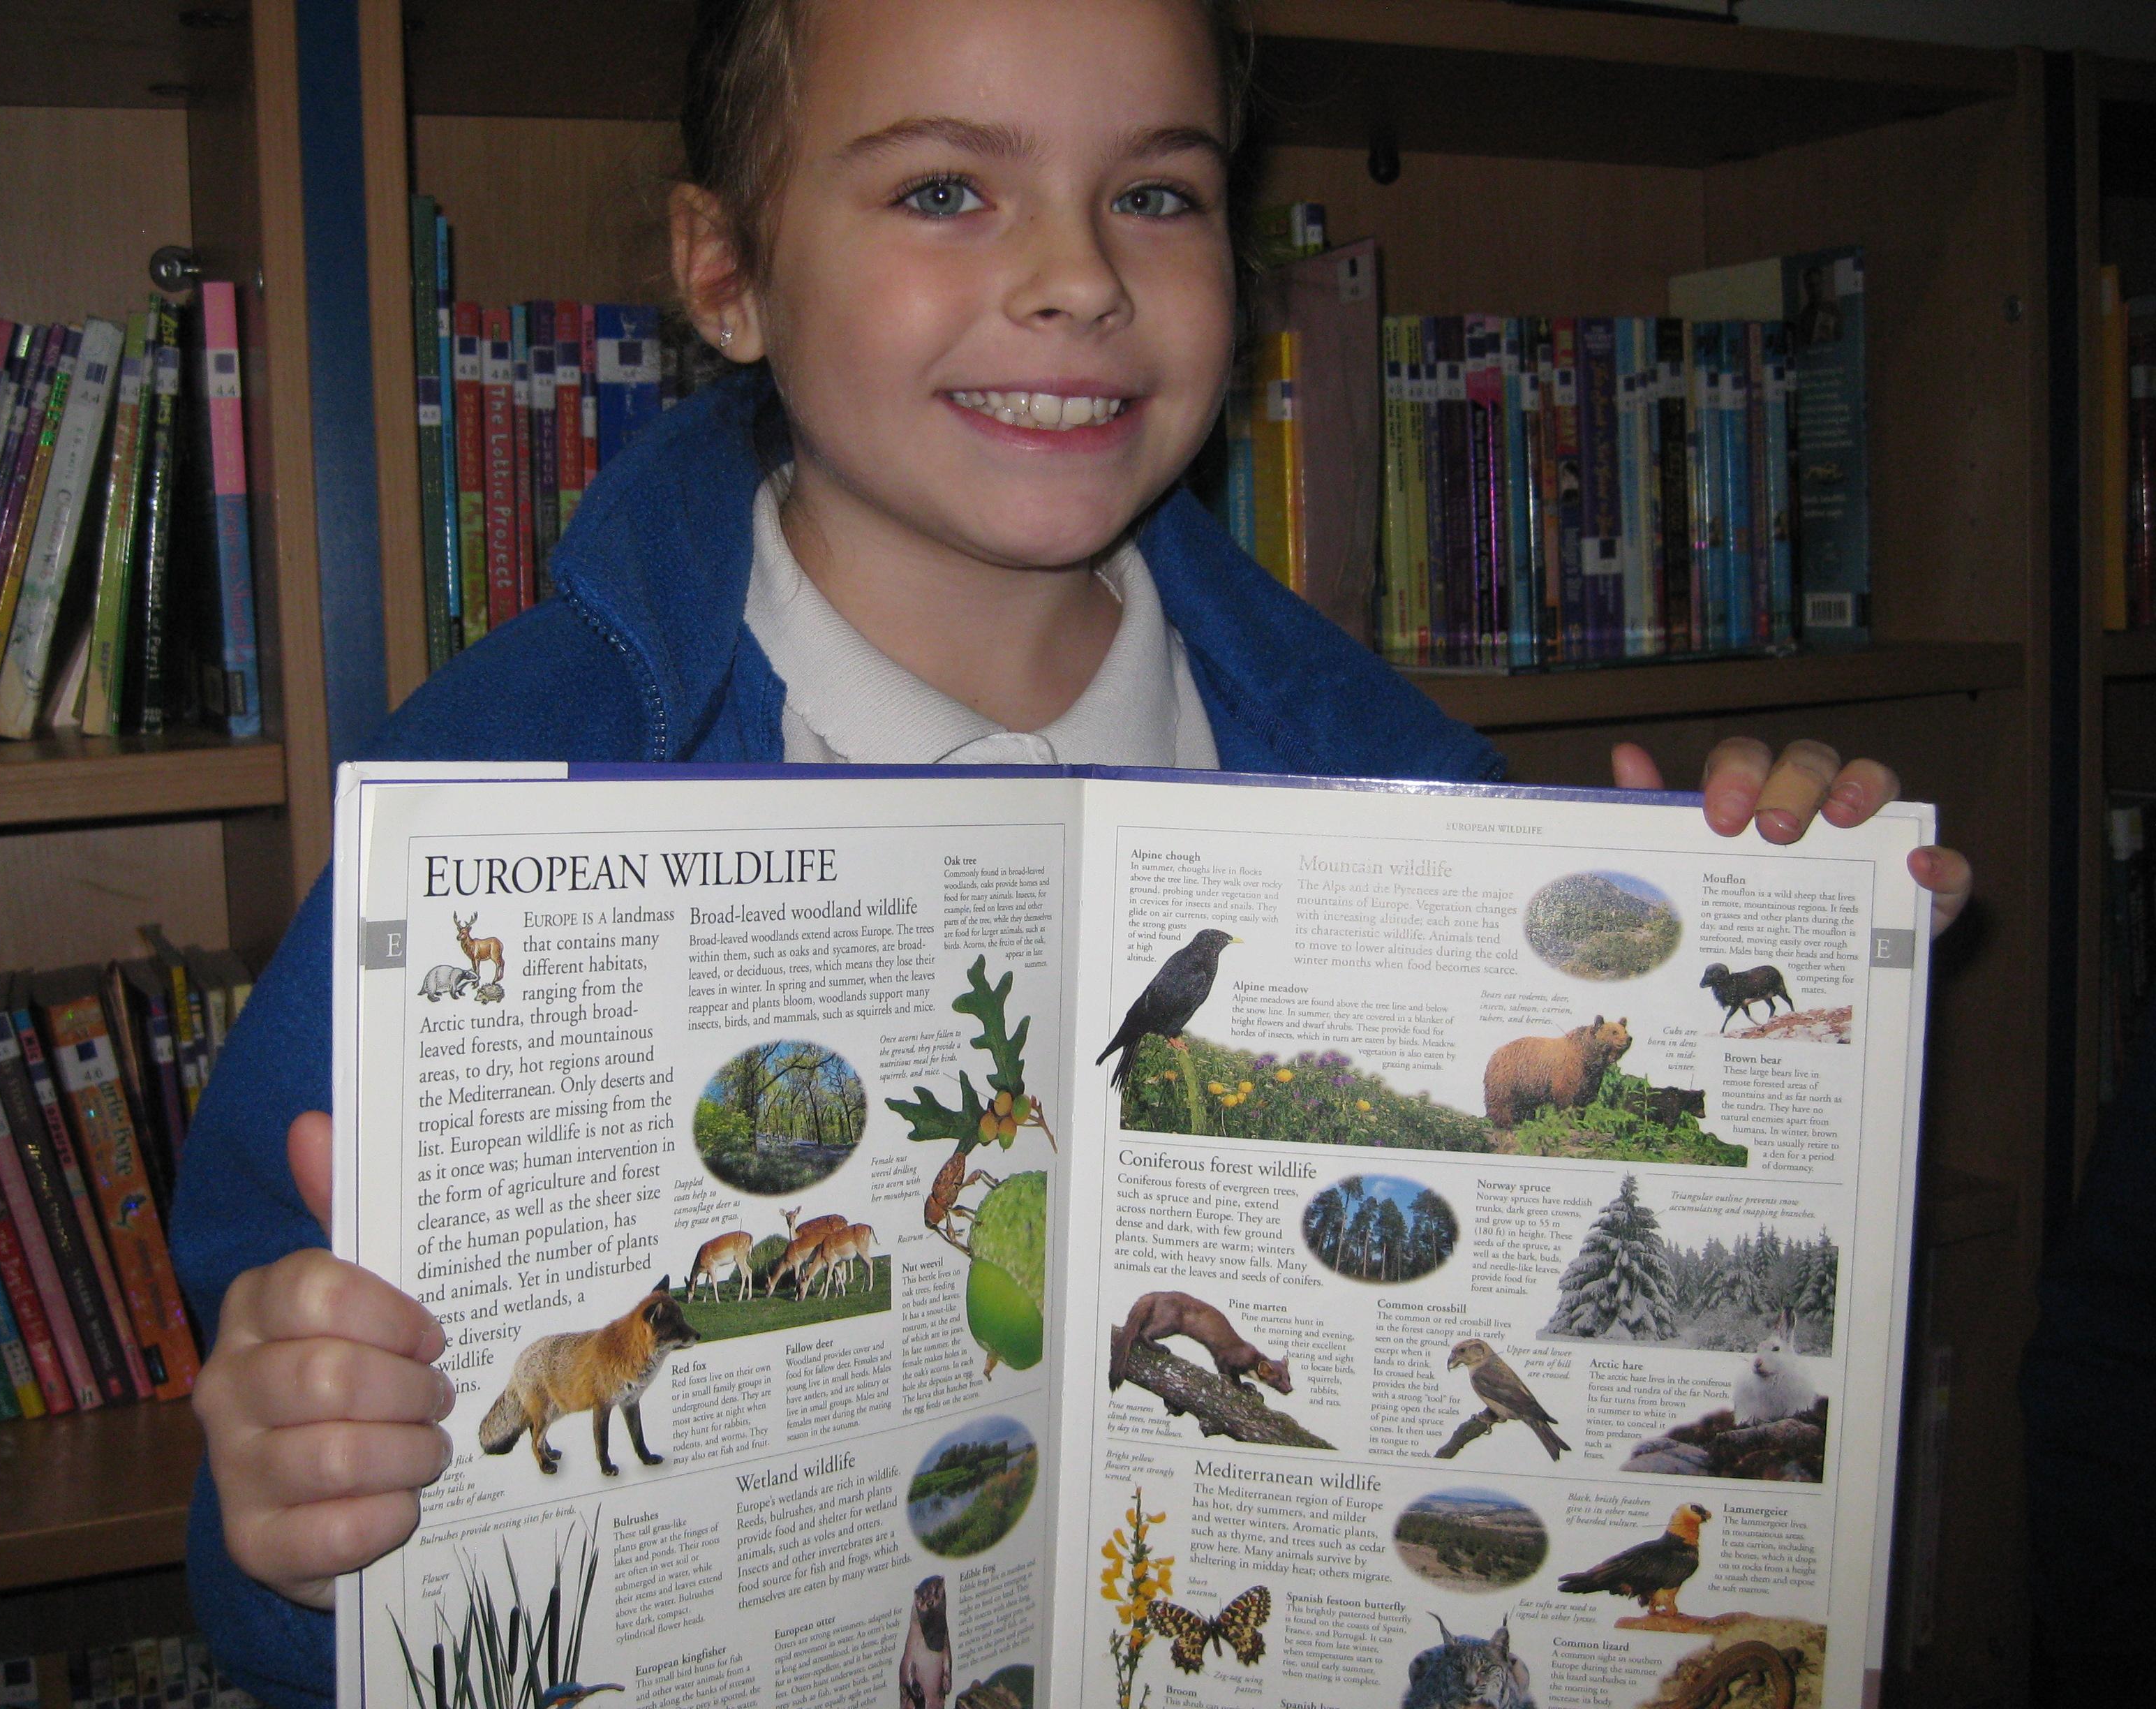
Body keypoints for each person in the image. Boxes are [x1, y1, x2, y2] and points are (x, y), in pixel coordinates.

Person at [170, 3, 1973, 1705]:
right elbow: (288, 1442)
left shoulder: (1386, 770)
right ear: (727, 273)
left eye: (1156, 195)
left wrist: (1780, 900)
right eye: (945, 188)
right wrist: (308, 1535)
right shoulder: (487, 784)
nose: (1081, 277)